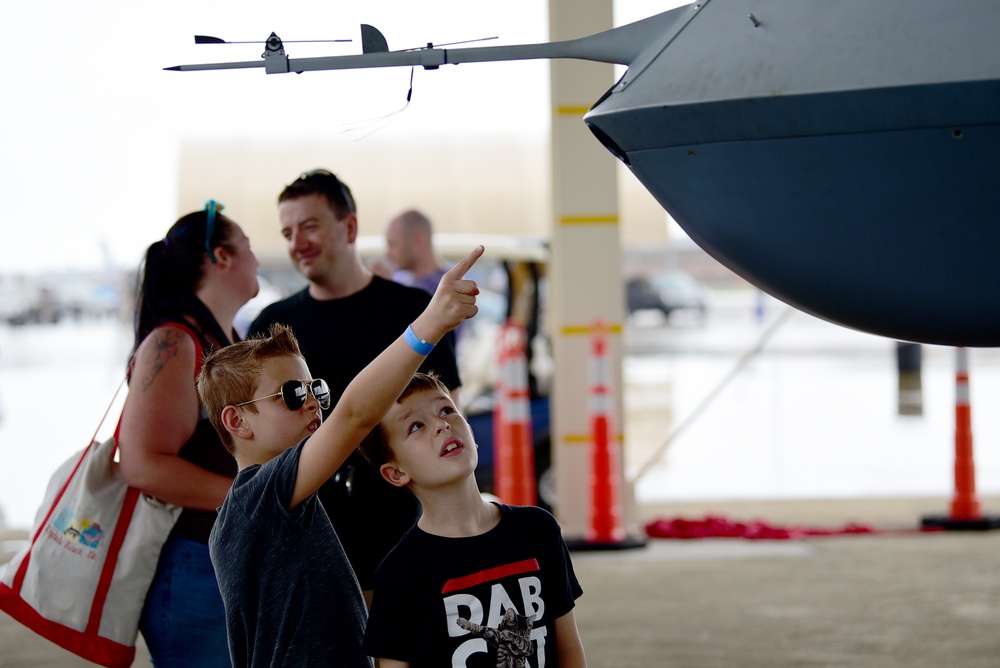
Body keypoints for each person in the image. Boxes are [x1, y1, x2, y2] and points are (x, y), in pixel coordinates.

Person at [199, 247, 483, 667]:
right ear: (237, 422)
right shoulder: (257, 500)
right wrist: (429, 325)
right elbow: (353, 416)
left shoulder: (276, 500)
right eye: (293, 395)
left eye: (316, 390)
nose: (313, 403)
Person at [248, 169, 462, 599]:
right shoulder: (270, 329)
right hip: (310, 546)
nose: (297, 243)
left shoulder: (414, 312)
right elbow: (256, 449)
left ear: (349, 226)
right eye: (287, 232)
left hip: (406, 536)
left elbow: (447, 417)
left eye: (310, 226)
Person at [357, 378, 587, 667]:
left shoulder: (539, 530)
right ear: (396, 473)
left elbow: (569, 650)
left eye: (446, 411)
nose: (442, 425)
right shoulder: (399, 573)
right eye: (416, 426)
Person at [118, 201, 260, 667]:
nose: (257, 258)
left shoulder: (222, 335)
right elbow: (141, 462)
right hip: (195, 567)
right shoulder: (176, 341)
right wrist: (252, 499)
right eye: (249, 246)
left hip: (226, 561)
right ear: (222, 256)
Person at [384, 209, 449, 295]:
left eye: (392, 244)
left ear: (418, 241)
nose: (387, 253)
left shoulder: (447, 291)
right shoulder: (399, 279)